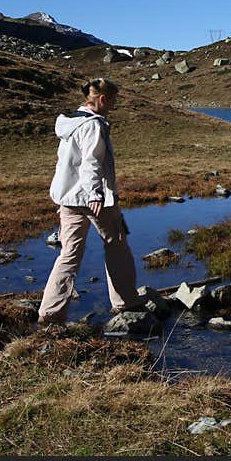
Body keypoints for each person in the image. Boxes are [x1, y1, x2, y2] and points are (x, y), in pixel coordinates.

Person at [38, 77, 144, 324]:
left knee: (69, 254)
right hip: (95, 200)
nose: (114, 106)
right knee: (116, 243)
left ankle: (50, 312)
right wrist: (95, 193)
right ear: (103, 99)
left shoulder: (71, 123)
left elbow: (69, 163)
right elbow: (91, 163)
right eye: (113, 101)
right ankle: (125, 301)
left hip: (68, 198)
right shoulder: (94, 126)